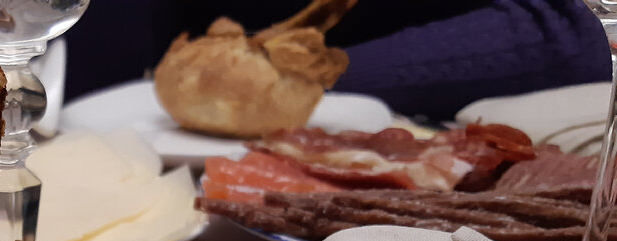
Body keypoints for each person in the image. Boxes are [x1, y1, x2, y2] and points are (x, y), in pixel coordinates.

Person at [63, 0, 610, 122]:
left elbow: (571, 34)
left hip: (432, 182)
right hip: (197, 193)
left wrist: (297, 80)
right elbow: (86, 82)